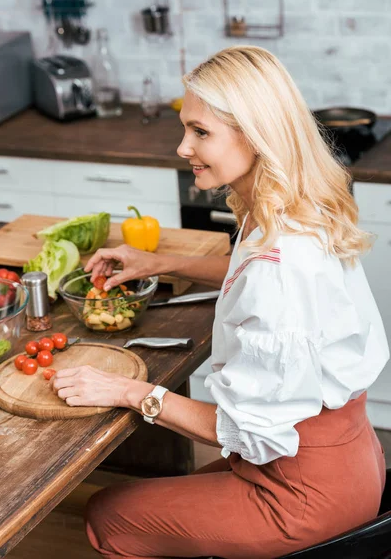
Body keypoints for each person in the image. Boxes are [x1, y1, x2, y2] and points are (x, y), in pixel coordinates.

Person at [52, 45, 389, 559]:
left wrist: (126, 390)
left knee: (107, 518)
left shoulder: (282, 268)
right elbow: (246, 268)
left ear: (257, 134)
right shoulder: (291, 208)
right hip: (347, 458)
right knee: (148, 500)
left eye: (201, 132)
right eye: (186, 128)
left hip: (301, 491)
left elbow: (242, 428)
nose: (183, 147)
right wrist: (158, 263)